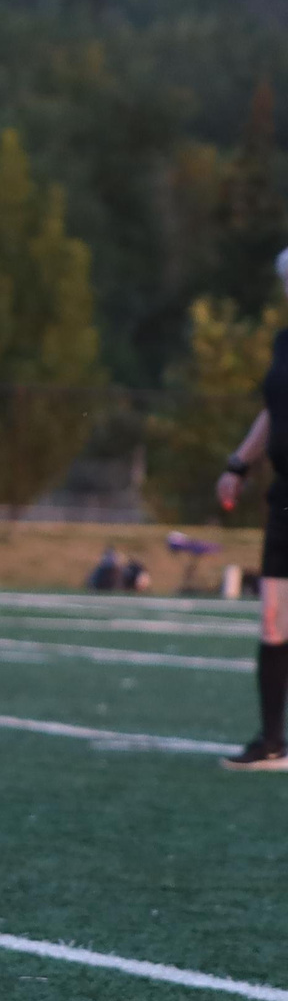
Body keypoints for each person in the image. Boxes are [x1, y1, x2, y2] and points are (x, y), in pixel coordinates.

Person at [212, 245, 288, 771]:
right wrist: (238, 463)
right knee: (274, 618)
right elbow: (273, 411)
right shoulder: (285, 343)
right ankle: (272, 741)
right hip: (285, 496)